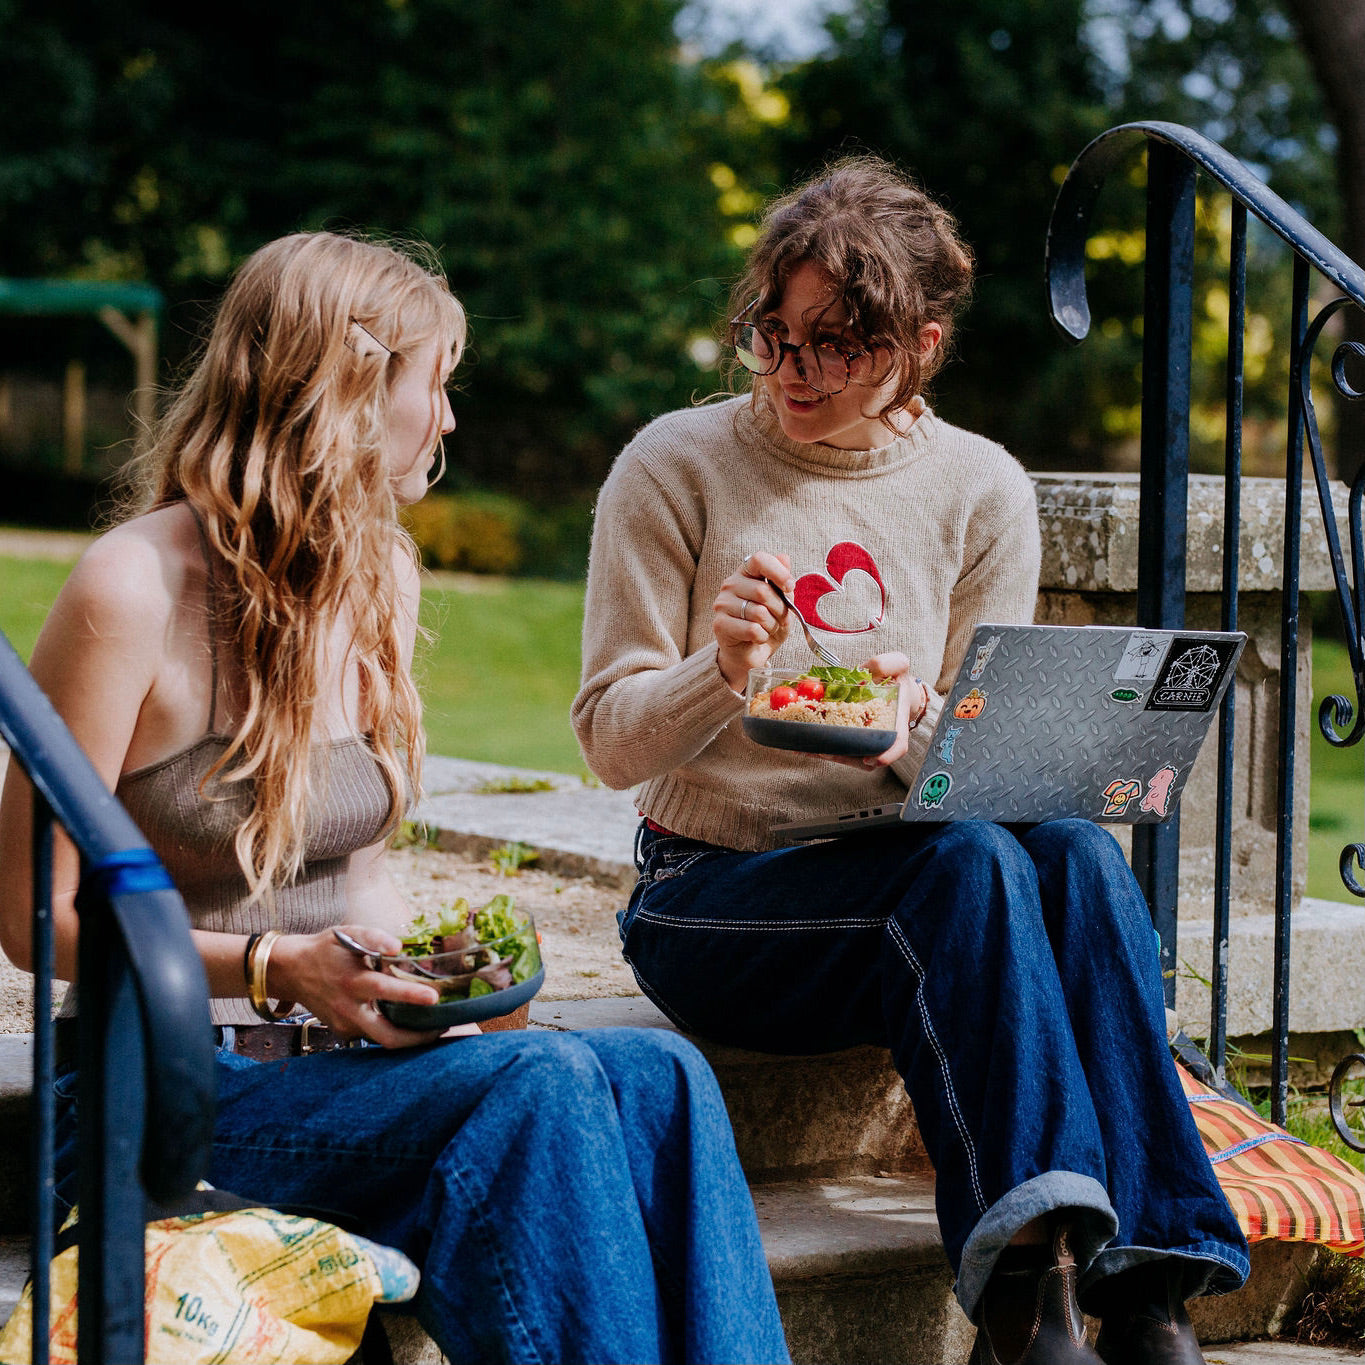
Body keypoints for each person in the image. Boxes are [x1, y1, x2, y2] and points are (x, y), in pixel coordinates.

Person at [0, 230, 791, 1365]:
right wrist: (278, 968)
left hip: (337, 1079)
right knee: (542, 1092)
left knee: (659, 1077)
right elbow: (33, 912)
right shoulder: (131, 588)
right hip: (153, 1091)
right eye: (439, 385)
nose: (451, 421)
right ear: (351, 391)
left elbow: (357, 883)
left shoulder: (376, 575)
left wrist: (441, 992)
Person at [572, 156, 1249, 1365]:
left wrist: (923, 730)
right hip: (711, 893)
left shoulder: (980, 488)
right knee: (969, 868)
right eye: (775, 336)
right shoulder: (674, 465)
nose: (794, 372)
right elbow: (609, 742)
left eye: (837, 347)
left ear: (919, 347)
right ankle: (1027, 1297)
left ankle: (1149, 1291)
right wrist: (720, 670)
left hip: (923, 875)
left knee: (1075, 852)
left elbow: (986, 777)